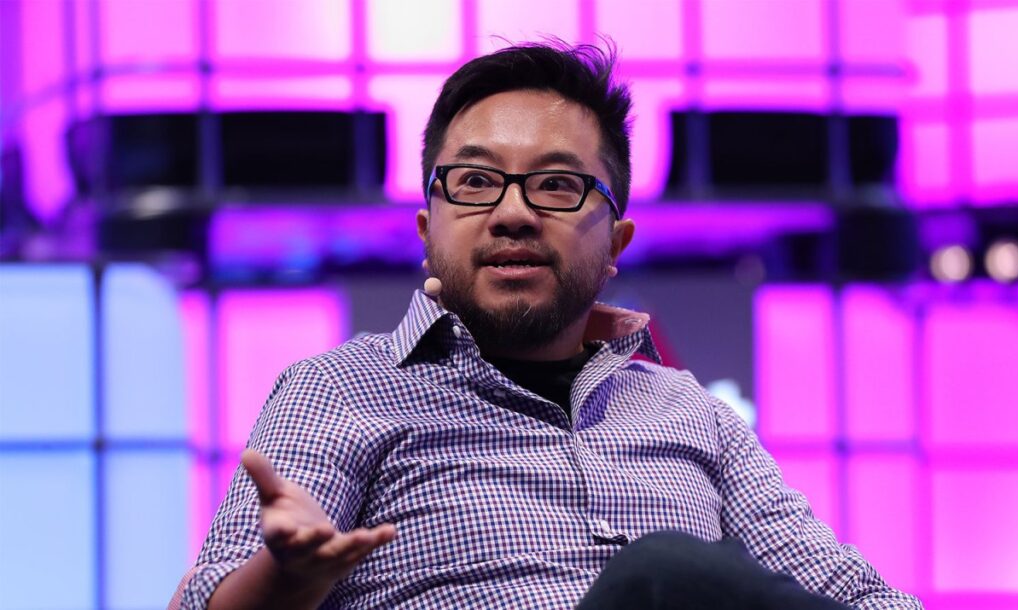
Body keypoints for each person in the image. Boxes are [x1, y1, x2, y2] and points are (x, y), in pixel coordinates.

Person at [172, 42, 923, 610]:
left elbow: (847, 591)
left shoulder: (691, 413)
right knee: (663, 574)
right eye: (474, 182)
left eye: (558, 185)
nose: (513, 213)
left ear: (616, 244)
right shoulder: (339, 391)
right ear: (428, 231)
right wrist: (289, 578)